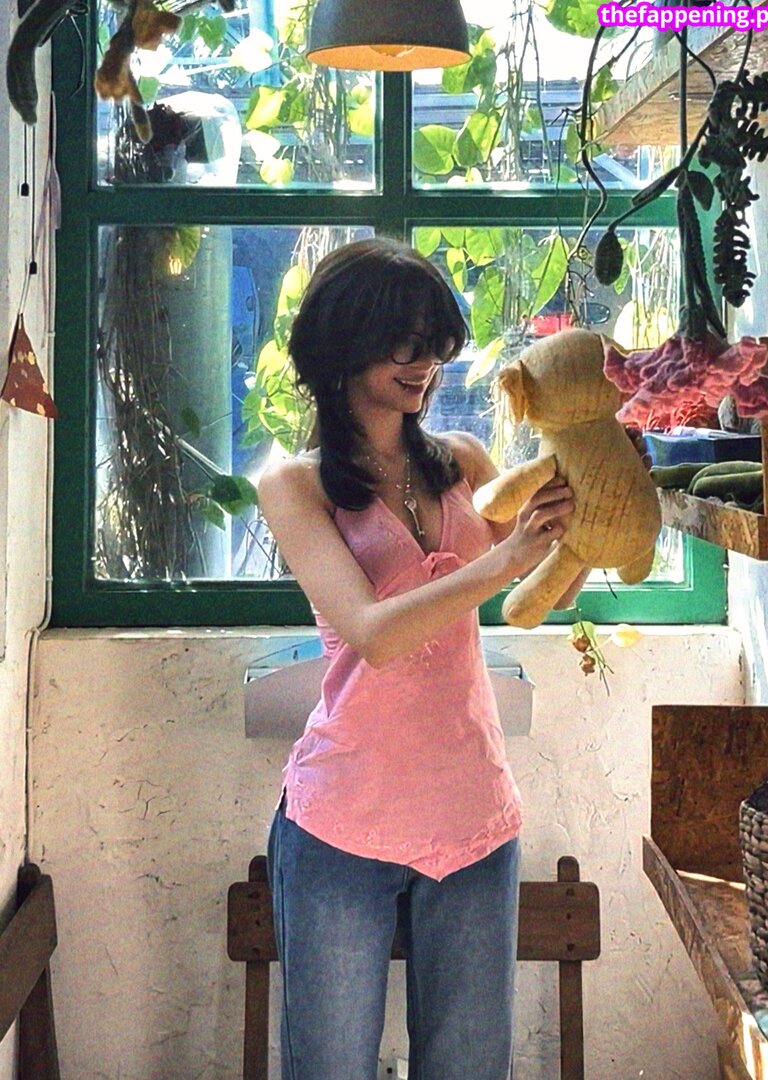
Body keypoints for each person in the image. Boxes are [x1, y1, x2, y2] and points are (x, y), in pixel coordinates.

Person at [257, 236, 585, 1080]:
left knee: (470, 1069)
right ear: (342, 344)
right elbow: (371, 633)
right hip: (340, 823)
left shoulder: (465, 462)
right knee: (329, 1070)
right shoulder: (294, 485)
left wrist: (591, 502)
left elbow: (554, 589)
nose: (426, 364)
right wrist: (504, 559)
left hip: (474, 817)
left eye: (435, 342)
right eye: (402, 342)